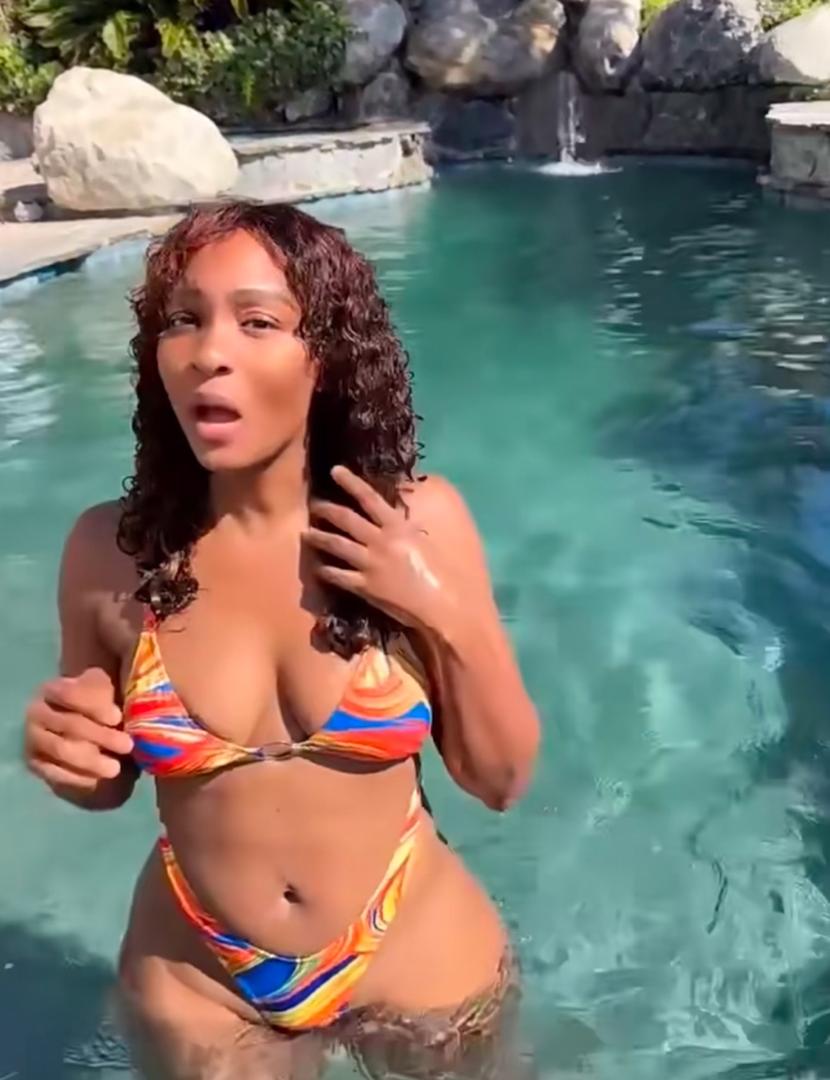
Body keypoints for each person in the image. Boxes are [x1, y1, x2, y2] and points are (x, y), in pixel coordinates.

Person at [22, 201, 540, 1080]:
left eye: (257, 322)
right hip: (198, 975)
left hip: (417, 952)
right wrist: (67, 753)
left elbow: (500, 781)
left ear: (325, 358)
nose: (208, 352)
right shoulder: (110, 552)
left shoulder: (417, 525)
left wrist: (438, 608)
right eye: (183, 320)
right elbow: (105, 782)